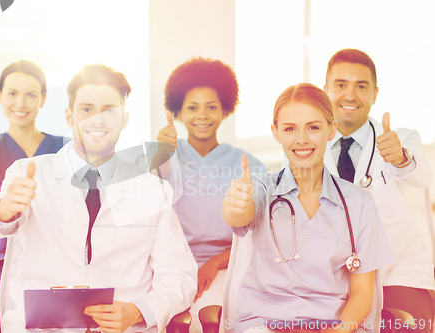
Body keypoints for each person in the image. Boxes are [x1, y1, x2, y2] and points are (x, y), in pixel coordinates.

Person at [0, 63, 197, 332]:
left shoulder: (152, 189)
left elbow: (180, 275)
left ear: (124, 120)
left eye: (109, 110)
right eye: (86, 109)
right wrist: (4, 209)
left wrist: (138, 311)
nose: (98, 119)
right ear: (70, 117)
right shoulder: (28, 173)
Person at [222, 83, 393, 333]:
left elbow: (363, 291)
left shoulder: (358, 203)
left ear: (331, 129)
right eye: (290, 129)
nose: (301, 139)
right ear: (276, 132)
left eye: (313, 127)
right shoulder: (261, 190)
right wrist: (236, 204)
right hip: (264, 324)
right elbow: (238, 215)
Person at [151, 57, 266, 332]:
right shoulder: (163, 160)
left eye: (211, 107)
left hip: (229, 267)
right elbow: (145, 214)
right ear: (177, 112)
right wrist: (160, 157)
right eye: (192, 107)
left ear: (225, 110)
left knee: (214, 319)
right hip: (170, 267)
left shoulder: (248, 164)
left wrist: (215, 263)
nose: (202, 115)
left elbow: (261, 235)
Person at [323, 49, 435, 332]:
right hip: (332, 278)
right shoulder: (310, 143)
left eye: (361, 86)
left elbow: (425, 175)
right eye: (341, 85)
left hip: (398, 272)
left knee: (409, 325)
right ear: (325, 90)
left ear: (374, 94)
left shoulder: (402, 139)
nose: (350, 95)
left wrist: (400, 157)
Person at [0, 60, 66, 333]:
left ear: (43, 99)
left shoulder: (62, 147)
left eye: (31, 94)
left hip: (48, 254)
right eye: (13, 93)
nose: (21, 102)